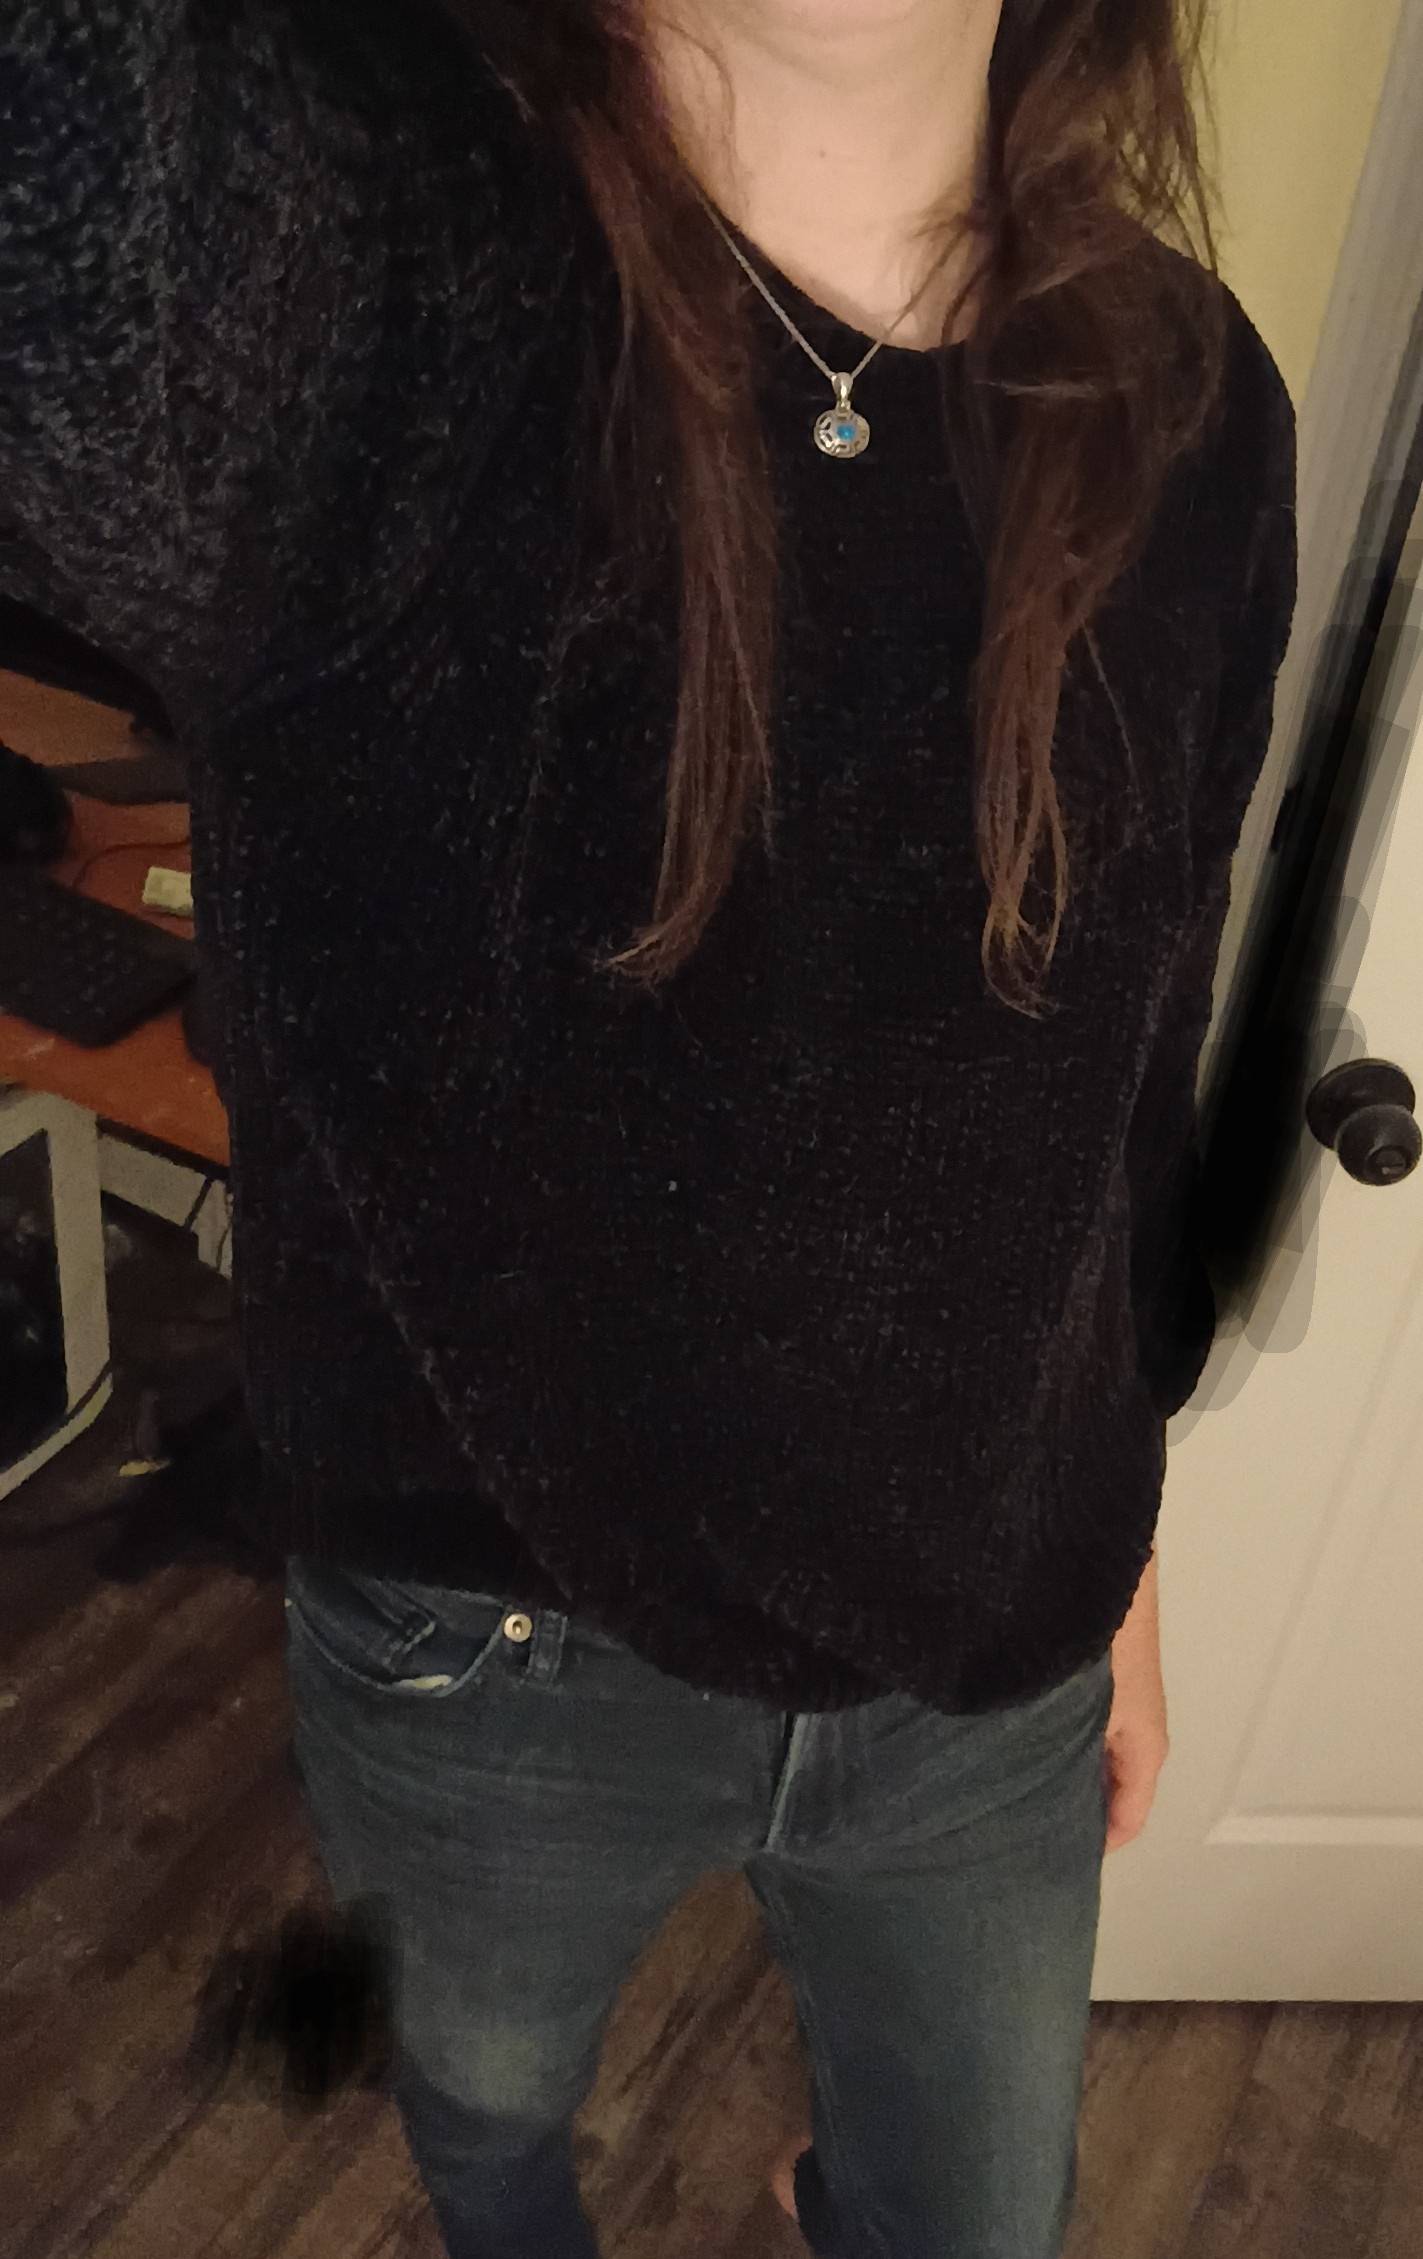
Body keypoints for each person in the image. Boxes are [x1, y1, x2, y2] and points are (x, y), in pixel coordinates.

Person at [0, 0, 1297, 2253]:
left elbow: (1129, 1069)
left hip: (991, 1640)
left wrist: (1133, 1538)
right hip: (483, 1642)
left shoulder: (1193, 405)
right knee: (491, 2131)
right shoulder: (339, 304)